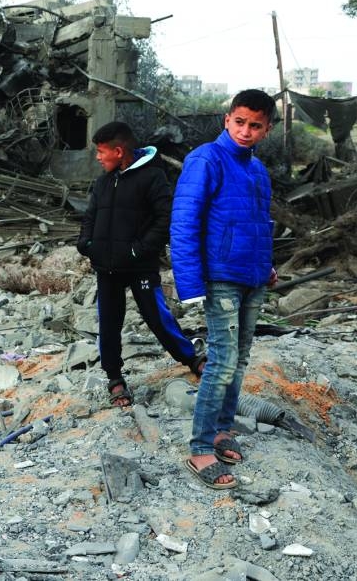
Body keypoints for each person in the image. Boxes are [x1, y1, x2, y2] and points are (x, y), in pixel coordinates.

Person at [170, 89, 279, 490]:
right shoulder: (206, 159)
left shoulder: (258, 171)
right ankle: (200, 449)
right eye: (239, 122)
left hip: (251, 279)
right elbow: (184, 223)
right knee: (220, 361)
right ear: (226, 119)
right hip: (220, 278)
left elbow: (258, 224)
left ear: (266, 129)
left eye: (255, 125)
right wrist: (190, 285)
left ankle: (220, 430)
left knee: (240, 359)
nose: (245, 132)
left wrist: (265, 266)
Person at [77, 121, 202, 408]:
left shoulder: (153, 178)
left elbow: (164, 219)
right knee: (109, 323)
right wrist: (86, 243)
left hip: (139, 266)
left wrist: (139, 250)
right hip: (106, 268)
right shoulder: (103, 181)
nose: (98, 157)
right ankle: (115, 378)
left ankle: (191, 358)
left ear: (119, 151)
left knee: (157, 318)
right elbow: (90, 216)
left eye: (101, 152)